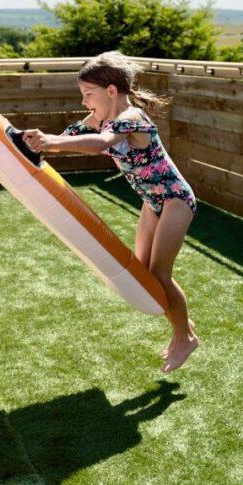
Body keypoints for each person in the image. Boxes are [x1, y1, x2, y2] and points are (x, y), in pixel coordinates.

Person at [22, 51, 199, 373]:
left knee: (160, 275)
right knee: (145, 276)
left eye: (88, 94)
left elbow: (102, 142)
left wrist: (50, 143)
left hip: (175, 199)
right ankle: (182, 322)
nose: (84, 101)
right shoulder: (98, 119)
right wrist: (35, 141)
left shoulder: (132, 118)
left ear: (111, 91)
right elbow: (69, 137)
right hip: (152, 203)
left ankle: (184, 337)